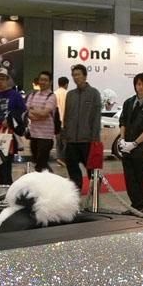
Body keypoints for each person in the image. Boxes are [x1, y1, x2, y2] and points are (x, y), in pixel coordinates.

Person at [117, 72, 143, 212]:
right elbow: (122, 121)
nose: (140, 87)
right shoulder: (128, 102)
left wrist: (134, 143)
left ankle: (139, 207)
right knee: (129, 179)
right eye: (138, 84)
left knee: (139, 179)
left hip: (141, 150)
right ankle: (135, 206)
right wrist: (122, 139)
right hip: (126, 149)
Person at [62, 64, 101, 192]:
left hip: (87, 140)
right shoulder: (70, 95)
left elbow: (96, 118)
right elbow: (66, 116)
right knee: (72, 169)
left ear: (85, 76)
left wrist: (95, 139)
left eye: (78, 74)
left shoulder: (94, 93)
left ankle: (95, 193)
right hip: (71, 140)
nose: (76, 77)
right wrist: (65, 136)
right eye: (74, 75)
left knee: (92, 170)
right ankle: (76, 193)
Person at [25, 70, 57, 172]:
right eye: (41, 79)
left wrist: (34, 111)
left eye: (45, 80)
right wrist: (39, 114)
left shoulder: (51, 96)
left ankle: (49, 179)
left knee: (41, 164)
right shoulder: (32, 95)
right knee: (38, 163)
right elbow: (27, 112)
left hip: (46, 136)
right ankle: (50, 177)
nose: (43, 82)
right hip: (33, 134)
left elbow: (45, 113)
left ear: (50, 82)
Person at [54, 76, 69, 166]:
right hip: (65, 122)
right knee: (66, 142)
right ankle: (62, 158)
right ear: (66, 84)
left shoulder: (54, 94)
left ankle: (59, 158)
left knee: (58, 142)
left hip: (56, 122)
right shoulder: (68, 94)